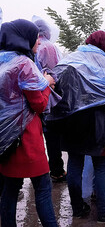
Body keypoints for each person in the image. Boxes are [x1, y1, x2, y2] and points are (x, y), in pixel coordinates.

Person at [0, 19, 75, 227]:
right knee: (42, 187)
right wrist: (47, 82)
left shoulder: (3, 63)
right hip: (26, 138)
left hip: (5, 139)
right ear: (24, 39)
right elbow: (39, 104)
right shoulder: (23, 64)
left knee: (9, 190)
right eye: (35, 37)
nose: (38, 41)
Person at [47, 30, 105, 223]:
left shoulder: (69, 60)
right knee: (102, 165)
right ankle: (103, 212)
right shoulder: (103, 64)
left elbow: (56, 92)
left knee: (75, 163)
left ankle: (77, 208)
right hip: (96, 124)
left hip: (69, 123)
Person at [32, 16, 66, 182]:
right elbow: (55, 73)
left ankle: (37, 170)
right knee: (52, 135)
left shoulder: (30, 45)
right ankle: (56, 170)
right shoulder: (49, 47)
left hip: (32, 95)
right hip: (47, 95)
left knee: (36, 134)